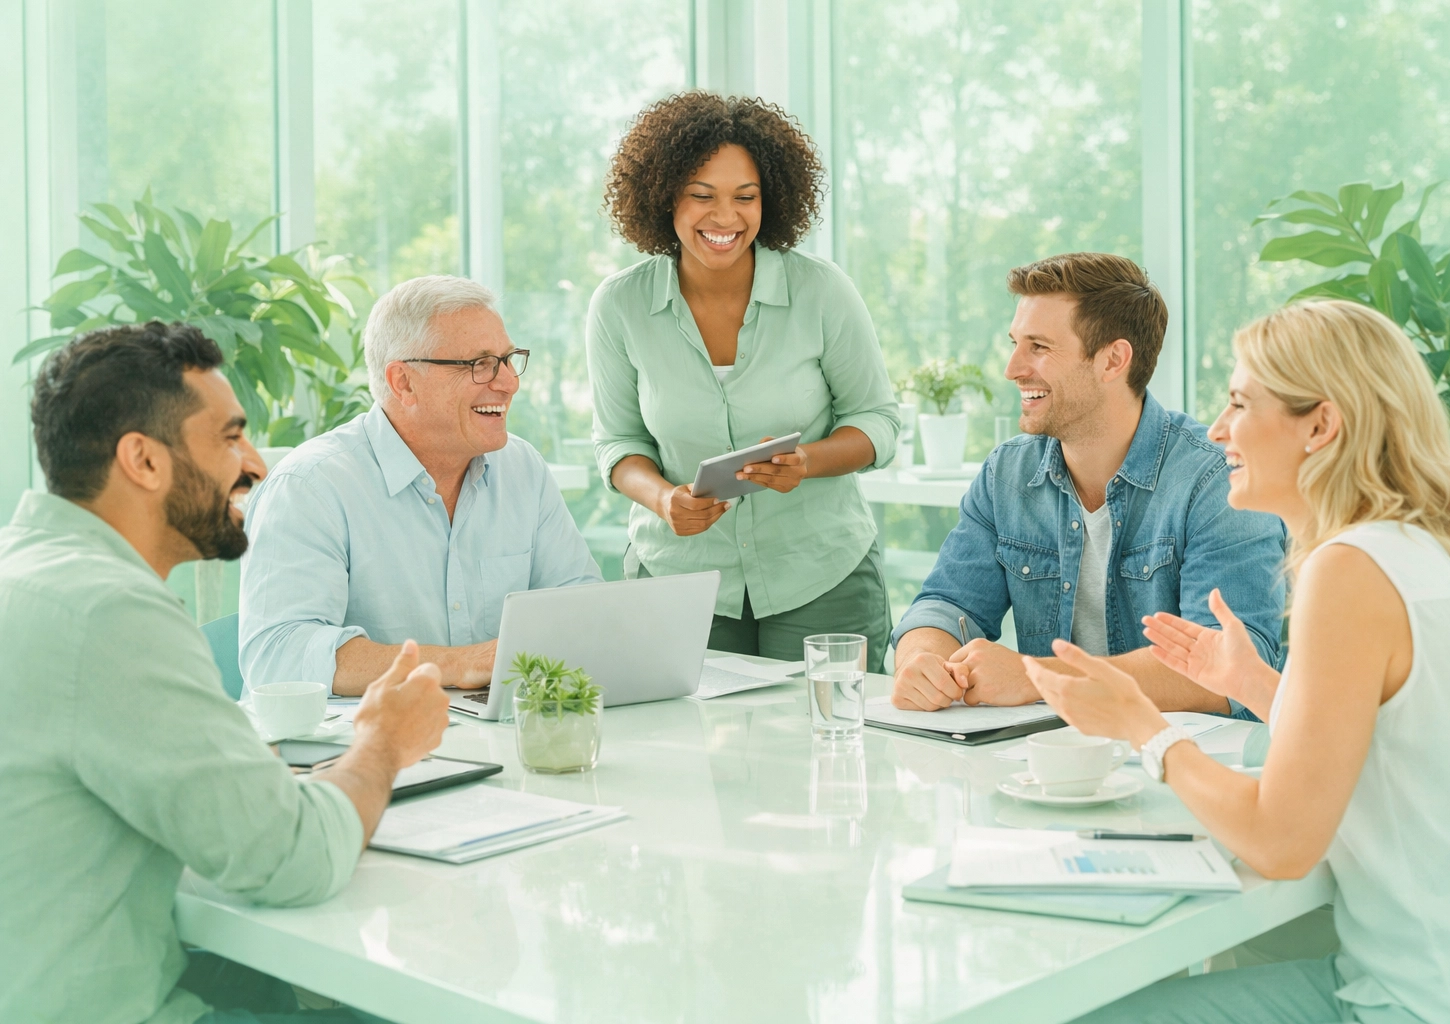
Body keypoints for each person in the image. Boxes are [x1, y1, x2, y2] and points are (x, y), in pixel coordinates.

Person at [1034, 300, 1450, 1023]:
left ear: (1321, 426)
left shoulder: (1349, 568)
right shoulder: (1411, 551)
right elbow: (1395, 750)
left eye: (1240, 402)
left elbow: (1281, 842)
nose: (1216, 430)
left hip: (1430, 1004)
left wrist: (1143, 728)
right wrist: (1255, 685)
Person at [0, 322, 451, 1023]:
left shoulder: (26, 572)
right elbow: (292, 862)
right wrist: (385, 743)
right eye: (230, 437)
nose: (256, 465)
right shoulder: (110, 614)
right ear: (144, 462)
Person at [890, 252, 1286, 716]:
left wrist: (1038, 677)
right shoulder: (1007, 473)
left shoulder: (1217, 481)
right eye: (1016, 342)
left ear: (1113, 360)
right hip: (1047, 760)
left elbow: (1236, 671)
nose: (1013, 368)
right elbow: (946, 603)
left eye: (1038, 346)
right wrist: (921, 660)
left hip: (1180, 763)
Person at [587, 92, 902, 666]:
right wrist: (663, 500)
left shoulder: (821, 292)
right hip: (680, 578)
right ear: (664, 199)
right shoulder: (620, 305)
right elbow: (618, 443)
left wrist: (808, 462)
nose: (725, 218)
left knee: (828, 741)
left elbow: (877, 422)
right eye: (701, 196)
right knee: (688, 752)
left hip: (820, 573)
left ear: (771, 200)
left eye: (745, 197)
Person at [240, 275, 603, 696]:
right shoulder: (310, 486)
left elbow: (581, 605)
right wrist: (455, 664)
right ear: (403, 383)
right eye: (479, 364)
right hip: (355, 750)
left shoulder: (522, 469)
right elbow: (279, 654)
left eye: (508, 359)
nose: (508, 382)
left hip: (495, 736)